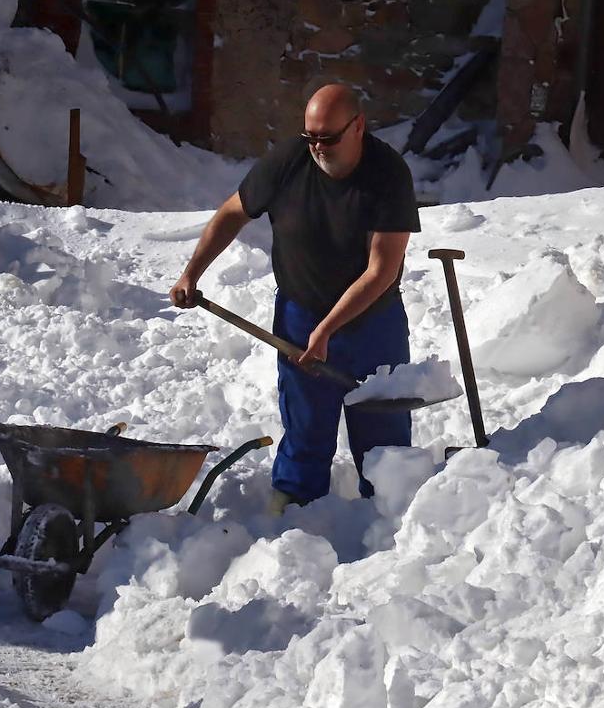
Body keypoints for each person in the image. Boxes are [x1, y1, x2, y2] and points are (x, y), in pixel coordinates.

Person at [169, 84, 419, 512]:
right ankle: (293, 515)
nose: (317, 147)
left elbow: (381, 271)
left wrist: (328, 330)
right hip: (301, 313)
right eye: (310, 137)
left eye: (328, 137)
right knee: (305, 425)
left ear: (358, 126)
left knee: (382, 431)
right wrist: (192, 272)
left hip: (372, 322)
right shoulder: (289, 161)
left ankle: (391, 523)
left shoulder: (387, 174)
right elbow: (232, 212)